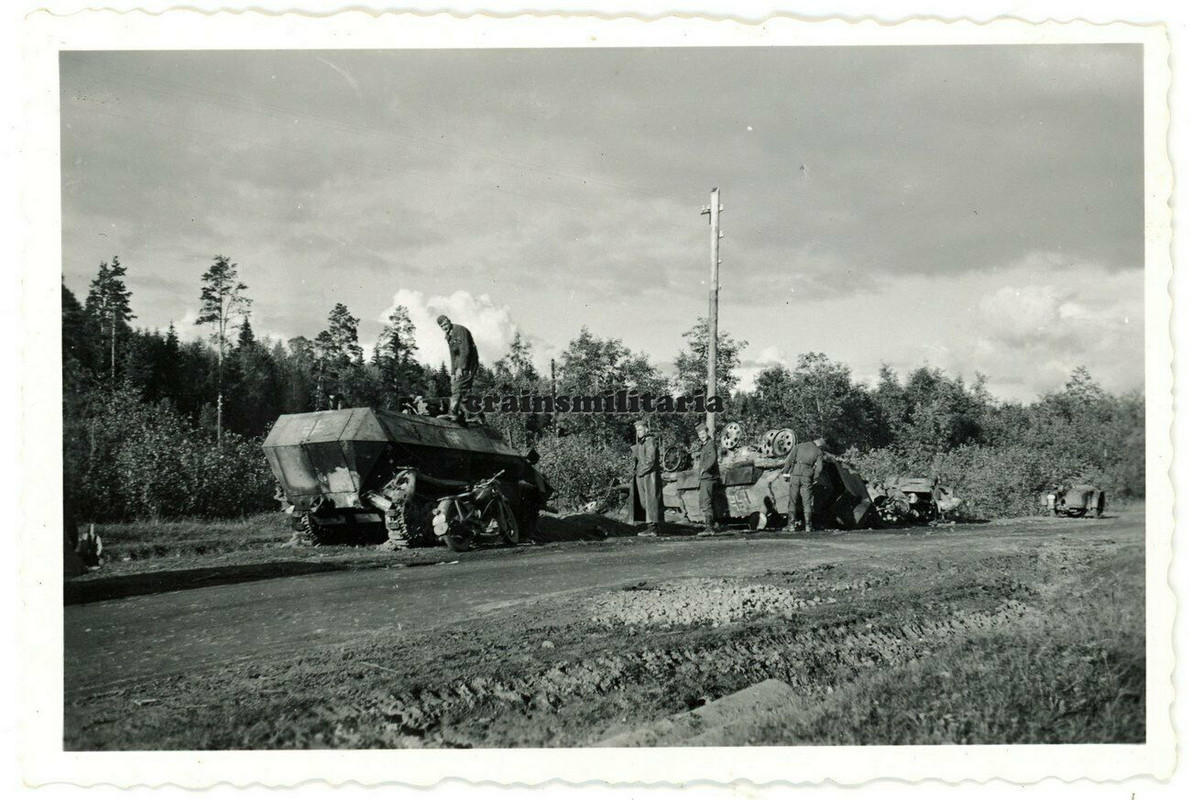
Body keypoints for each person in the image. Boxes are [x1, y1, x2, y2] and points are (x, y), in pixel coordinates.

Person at [626, 419, 665, 537]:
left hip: (650, 477)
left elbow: (650, 460)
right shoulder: (643, 442)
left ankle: (653, 528)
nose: (638, 432)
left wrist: (640, 472)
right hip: (644, 476)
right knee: (645, 502)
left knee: (651, 501)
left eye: (640, 429)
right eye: (637, 430)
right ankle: (652, 528)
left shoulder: (650, 441)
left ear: (646, 429)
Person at [437, 315, 479, 422]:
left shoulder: (459, 330)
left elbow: (465, 350)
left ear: (449, 322)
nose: (444, 327)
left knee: (458, 386)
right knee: (462, 388)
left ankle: (453, 413)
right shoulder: (449, 336)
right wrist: (452, 372)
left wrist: (461, 367)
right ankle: (473, 415)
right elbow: (453, 355)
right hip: (460, 363)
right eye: (442, 326)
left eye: (445, 324)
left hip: (468, 362)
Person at [782, 435, 824, 532]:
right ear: (819, 444)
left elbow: (789, 460)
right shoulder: (818, 451)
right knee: (807, 501)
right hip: (807, 476)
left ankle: (791, 526)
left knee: (793, 500)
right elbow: (819, 468)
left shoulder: (799, 446)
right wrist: (814, 478)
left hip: (795, 474)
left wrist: (785, 473)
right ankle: (808, 526)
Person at [692, 423, 722, 536]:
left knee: (705, 501)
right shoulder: (705, 445)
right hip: (707, 477)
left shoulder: (710, 444)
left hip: (708, 477)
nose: (701, 435)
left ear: (706, 432)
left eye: (703, 433)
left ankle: (709, 528)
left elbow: (712, 458)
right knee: (708, 501)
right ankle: (712, 525)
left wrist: (704, 469)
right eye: (700, 434)